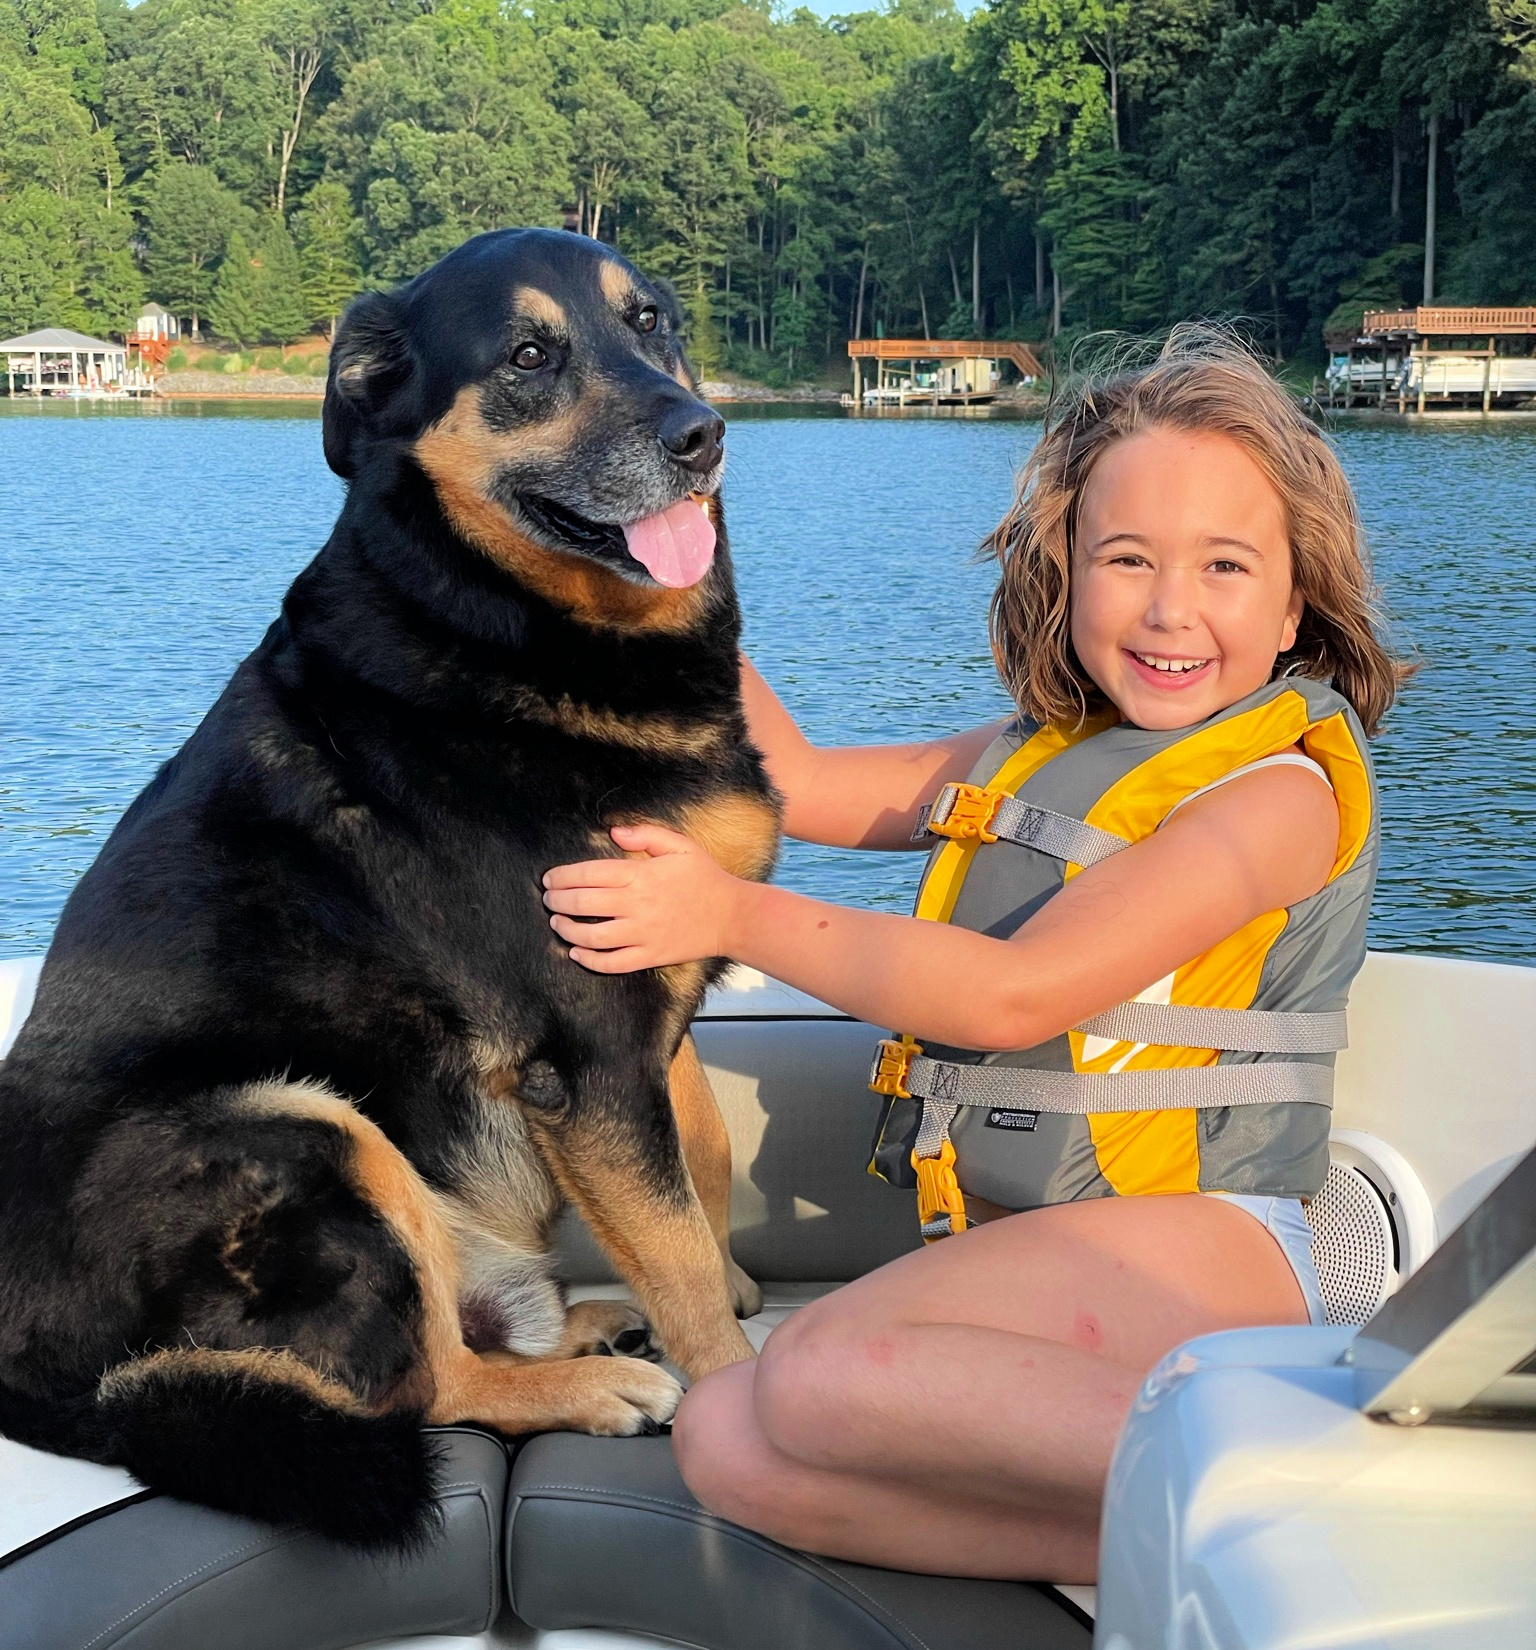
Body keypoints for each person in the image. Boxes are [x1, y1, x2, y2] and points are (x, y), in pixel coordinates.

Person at [540, 331, 1410, 1583]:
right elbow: (793, 782)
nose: (1172, 607)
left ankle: (1340, 1498)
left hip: (1221, 1246)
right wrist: (648, 584)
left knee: (826, 1372)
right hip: (1033, 1267)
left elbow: (1015, 997)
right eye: (1126, 560)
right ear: (1063, 573)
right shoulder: (1034, 751)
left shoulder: (1279, 794)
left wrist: (726, 917)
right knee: (728, 1438)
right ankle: (1228, 1552)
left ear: (1293, 606)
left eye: (1226, 566)